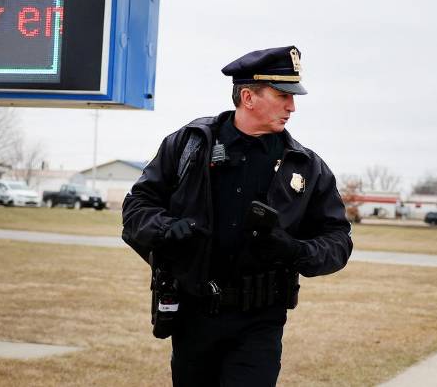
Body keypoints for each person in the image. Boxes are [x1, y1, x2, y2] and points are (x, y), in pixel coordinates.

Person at [122, 46, 352, 386]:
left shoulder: (305, 165)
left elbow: (338, 241)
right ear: (248, 96)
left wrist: (294, 250)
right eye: (282, 95)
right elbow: (136, 208)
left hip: (260, 321)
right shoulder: (189, 145)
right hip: (193, 315)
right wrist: (168, 229)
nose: (292, 106)